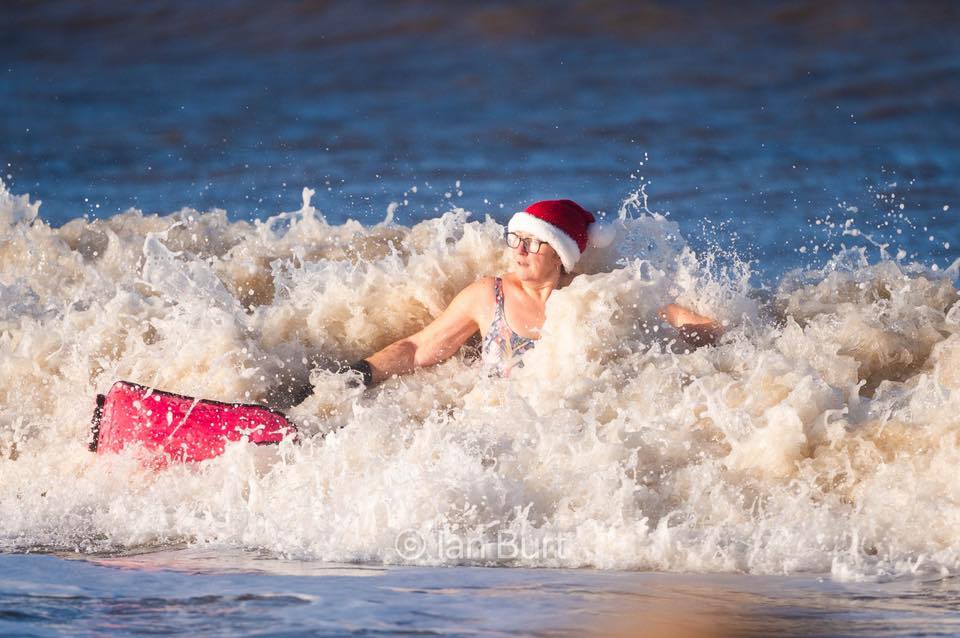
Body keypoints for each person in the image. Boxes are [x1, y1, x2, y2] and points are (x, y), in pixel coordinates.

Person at [346, 199, 721, 386]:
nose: (519, 250)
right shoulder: (488, 295)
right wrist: (357, 376)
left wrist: (720, 351)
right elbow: (417, 348)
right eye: (516, 239)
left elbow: (673, 315)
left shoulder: (591, 298)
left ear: (560, 255)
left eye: (533, 242)